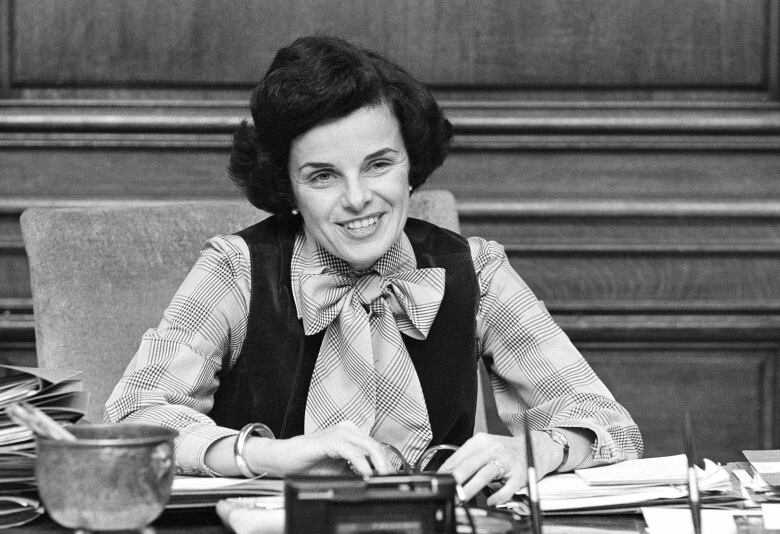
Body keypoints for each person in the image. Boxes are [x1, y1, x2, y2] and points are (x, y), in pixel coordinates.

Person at [105, 35, 642, 506]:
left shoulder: (476, 268)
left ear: (411, 166)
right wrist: (271, 455)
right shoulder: (236, 268)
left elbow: (611, 426)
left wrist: (536, 449)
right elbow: (133, 416)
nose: (358, 199)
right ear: (287, 189)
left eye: (379, 164)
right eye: (322, 176)